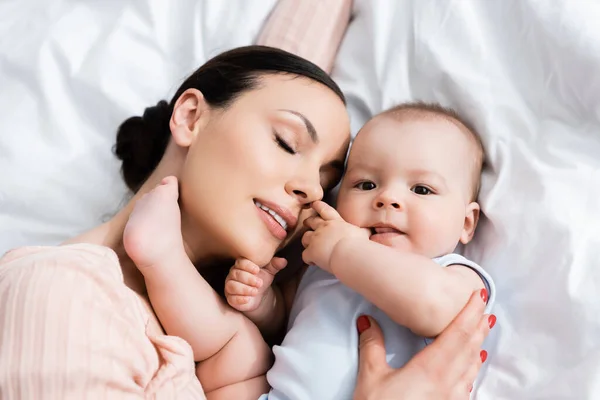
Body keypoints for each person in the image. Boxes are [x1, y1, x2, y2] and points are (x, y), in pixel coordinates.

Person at [0, 46, 493, 399]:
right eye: (286, 142)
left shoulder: (215, 321)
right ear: (190, 117)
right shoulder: (61, 291)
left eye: (329, 179)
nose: (313, 192)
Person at [225, 102, 497, 399]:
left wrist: (344, 249)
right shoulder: (320, 263)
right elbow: (287, 319)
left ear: (466, 223)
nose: (387, 198)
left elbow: (434, 308)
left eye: (421, 189)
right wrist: (263, 302)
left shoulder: (452, 272)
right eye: (366, 184)